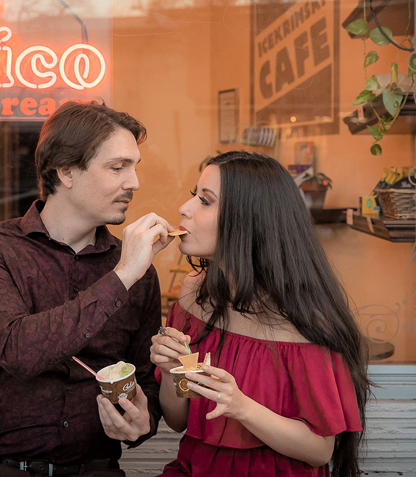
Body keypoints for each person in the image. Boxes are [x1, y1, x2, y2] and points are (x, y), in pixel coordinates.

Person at [0, 101, 175, 477]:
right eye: (118, 168)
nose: (134, 183)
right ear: (66, 171)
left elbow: (143, 378)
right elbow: (20, 352)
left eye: (134, 167)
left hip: (93, 470)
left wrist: (141, 423)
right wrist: (122, 276)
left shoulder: (137, 272)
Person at [150, 151, 370, 477]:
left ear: (247, 219)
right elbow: (177, 419)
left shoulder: (303, 322)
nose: (185, 208)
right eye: (193, 195)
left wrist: (241, 406)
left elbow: (319, 451)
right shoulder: (193, 294)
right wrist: (170, 372)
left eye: (205, 201)